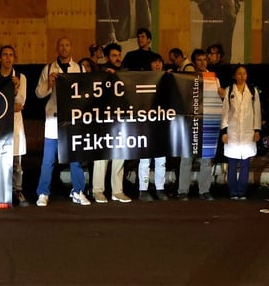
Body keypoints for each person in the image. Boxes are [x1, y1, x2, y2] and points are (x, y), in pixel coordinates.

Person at [34, 36, 88, 207]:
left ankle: (78, 191)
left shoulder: (79, 68)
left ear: (71, 47)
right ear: (57, 49)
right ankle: (43, 193)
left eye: (67, 45)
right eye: (61, 45)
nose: (64, 48)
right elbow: (38, 94)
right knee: (48, 159)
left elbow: (86, 93)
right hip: (53, 118)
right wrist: (49, 84)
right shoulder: (49, 68)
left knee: (75, 157)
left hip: (72, 119)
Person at [0, 45, 28, 206]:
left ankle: (17, 190)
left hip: (14, 124)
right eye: (5, 55)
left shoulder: (20, 77)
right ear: (0, 57)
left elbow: (20, 104)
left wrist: (15, 90)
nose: (8, 58)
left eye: (11, 55)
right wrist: (8, 107)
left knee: (16, 161)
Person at [90, 43, 130, 203]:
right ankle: (98, 190)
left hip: (121, 119)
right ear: (107, 57)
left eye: (119, 55)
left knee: (120, 154)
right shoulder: (100, 73)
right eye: (114, 55)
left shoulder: (126, 73)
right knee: (102, 155)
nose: (118, 58)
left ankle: (117, 191)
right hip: (104, 119)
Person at [176, 48, 218, 201]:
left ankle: (204, 190)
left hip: (208, 121)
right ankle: (183, 191)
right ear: (194, 62)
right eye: (199, 60)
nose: (202, 62)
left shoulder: (213, 78)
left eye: (205, 59)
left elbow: (218, 97)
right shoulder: (187, 77)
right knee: (186, 158)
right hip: (191, 122)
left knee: (206, 159)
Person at [220, 63, 261, 201]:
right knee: (232, 163)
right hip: (232, 132)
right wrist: (224, 132)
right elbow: (225, 112)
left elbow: (257, 112)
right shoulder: (229, 90)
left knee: (245, 164)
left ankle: (242, 191)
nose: (242, 76)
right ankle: (233, 191)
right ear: (234, 76)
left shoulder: (253, 91)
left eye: (244, 73)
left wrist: (257, 130)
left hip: (248, 132)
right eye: (239, 73)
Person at [137, 53, 169, 201]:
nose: (158, 65)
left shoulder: (167, 79)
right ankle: (143, 189)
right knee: (145, 159)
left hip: (162, 123)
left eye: (159, 62)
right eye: (154, 62)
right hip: (145, 124)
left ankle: (160, 188)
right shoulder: (143, 80)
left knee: (161, 159)